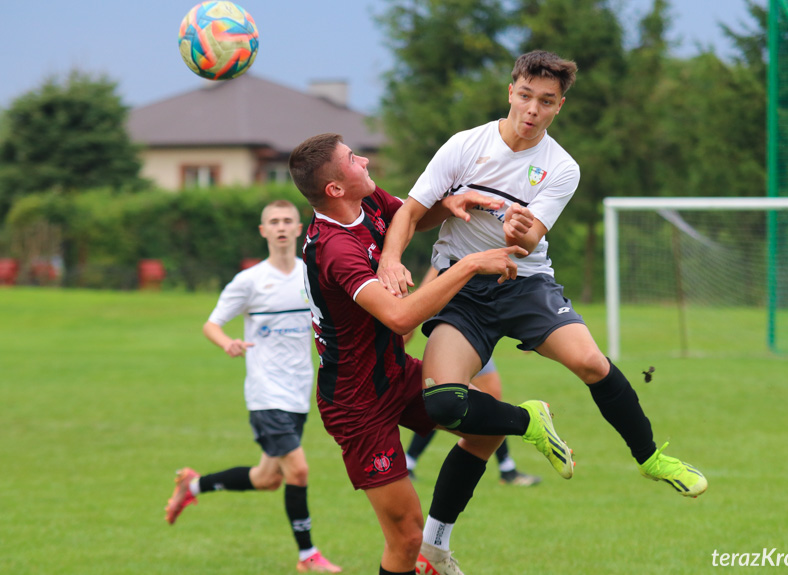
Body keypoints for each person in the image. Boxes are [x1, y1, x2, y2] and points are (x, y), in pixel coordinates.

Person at [377, 50, 708, 500]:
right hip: (461, 290)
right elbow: (409, 212)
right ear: (510, 91)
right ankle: (527, 423)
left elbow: (529, 242)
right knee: (443, 405)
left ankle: (651, 460)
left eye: (547, 101)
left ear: (559, 106)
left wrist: (520, 230)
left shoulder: (562, 166)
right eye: (527, 96)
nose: (533, 110)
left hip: (524, 283)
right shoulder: (464, 145)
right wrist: (391, 259)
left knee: (592, 362)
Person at [287, 133, 572, 575]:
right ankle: (528, 422)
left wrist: (456, 201)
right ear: (334, 190)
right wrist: (470, 264)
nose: (363, 159)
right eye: (351, 159)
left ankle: (437, 549)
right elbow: (400, 319)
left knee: (484, 423)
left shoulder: (369, 202)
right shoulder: (335, 249)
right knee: (403, 536)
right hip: (355, 400)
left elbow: (412, 218)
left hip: (393, 373)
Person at [164, 200, 342, 574]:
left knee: (266, 480)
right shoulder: (249, 281)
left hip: (298, 392)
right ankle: (308, 556)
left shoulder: (312, 275)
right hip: (265, 394)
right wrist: (226, 342)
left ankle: (192, 487)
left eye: (287, 221)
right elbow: (212, 323)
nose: (280, 227)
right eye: (273, 222)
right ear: (263, 231)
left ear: (299, 229)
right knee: (299, 472)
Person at [403, 267, 540, 487]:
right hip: (458, 329)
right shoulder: (451, 253)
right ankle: (507, 468)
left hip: (474, 326)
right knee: (457, 398)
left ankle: (506, 467)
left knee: (461, 400)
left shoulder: (483, 245)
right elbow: (435, 277)